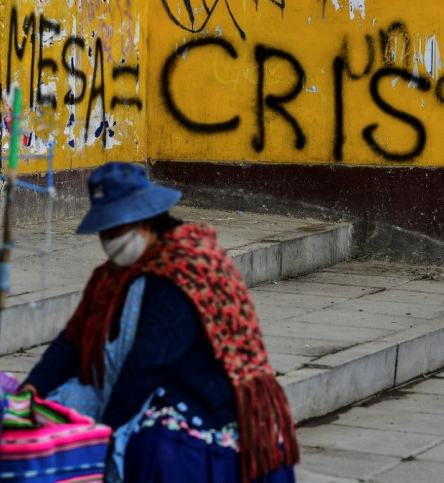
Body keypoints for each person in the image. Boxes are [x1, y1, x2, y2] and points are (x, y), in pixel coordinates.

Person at [20, 162, 298, 482]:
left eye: (114, 231)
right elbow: (74, 339)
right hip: (156, 386)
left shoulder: (185, 271)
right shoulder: (113, 276)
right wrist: (35, 385)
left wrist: (104, 433)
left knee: (154, 447)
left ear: (144, 223)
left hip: (211, 404)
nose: (108, 241)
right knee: (57, 410)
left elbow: (147, 363)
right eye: (104, 233)